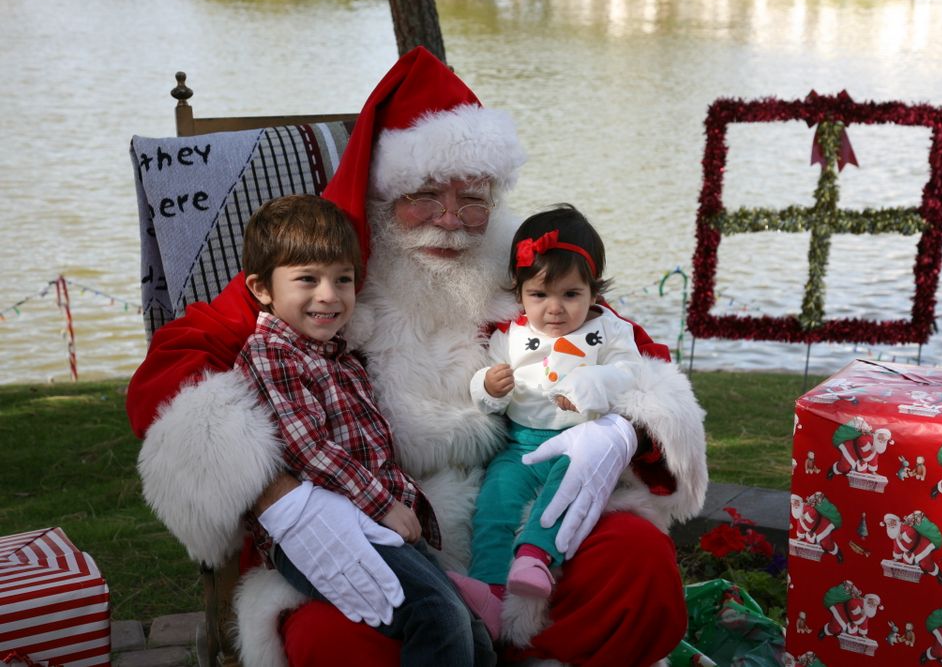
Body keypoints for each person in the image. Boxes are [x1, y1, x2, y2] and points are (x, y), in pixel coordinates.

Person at [128, 46, 708, 667]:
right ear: (383, 194)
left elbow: (631, 350)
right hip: (371, 531)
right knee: (331, 641)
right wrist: (278, 494)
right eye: (425, 195)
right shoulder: (328, 281)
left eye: (473, 198)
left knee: (637, 564)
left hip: (517, 521)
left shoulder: (520, 272)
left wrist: (624, 429)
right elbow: (174, 364)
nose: (453, 221)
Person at [232, 194, 494, 665]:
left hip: (376, 522)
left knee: (473, 634)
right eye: (307, 280)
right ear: (262, 288)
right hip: (322, 529)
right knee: (435, 615)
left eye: (343, 279)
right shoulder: (272, 352)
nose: (329, 295)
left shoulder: (342, 356)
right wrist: (384, 504)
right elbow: (306, 447)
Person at [467, 204, 645, 603]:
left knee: (565, 496)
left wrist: (594, 381)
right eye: (539, 294)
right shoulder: (510, 336)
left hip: (584, 443)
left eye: (570, 294)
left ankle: (535, 556)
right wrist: (489, 388)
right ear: (519, 292)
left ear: (594, 292)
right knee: (496, 499)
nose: (554, 308)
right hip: (521, 446)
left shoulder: (609, 330)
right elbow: (484, 397)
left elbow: (633, 374)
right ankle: (488, 587)